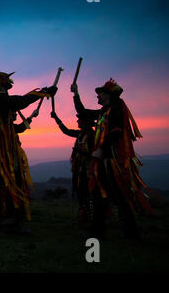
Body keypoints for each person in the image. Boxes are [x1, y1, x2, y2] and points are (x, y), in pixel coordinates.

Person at [0, 66, 57, 233]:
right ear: (0, 86)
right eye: (6, 87)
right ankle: (10, 221)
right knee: (9, 181)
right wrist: (42, 92)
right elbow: (19, 102)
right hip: (0, 152)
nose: (7, 90)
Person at [72, 79, 153, 239]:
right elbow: (83, 112)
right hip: (102, 160)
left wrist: (102, 149)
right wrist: (76, 94)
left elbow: (116, 132)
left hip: (112, 160)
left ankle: (130, 232)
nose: (98, 95)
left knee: (118, 195)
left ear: (108, 95)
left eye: (100, 93)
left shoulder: (116, 110)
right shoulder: (103, 111)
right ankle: (97, 229)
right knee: (97, 193)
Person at [50, 109, 95, 225]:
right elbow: (67, 131)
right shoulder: (81, 134)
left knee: (88, 193)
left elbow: (95, 154)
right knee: (82, 193)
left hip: (90, 171)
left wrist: (81, 152)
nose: (77, 121)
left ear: (86, 122)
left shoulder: (93, 136)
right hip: (80, 170)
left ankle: (91, 219)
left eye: (79, 119)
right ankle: (84, 217)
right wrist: (56, 119)